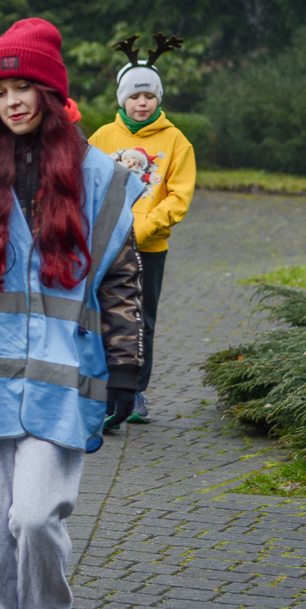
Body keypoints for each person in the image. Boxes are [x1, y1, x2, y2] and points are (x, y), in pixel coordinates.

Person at [0, 18, 144, 609]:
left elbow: (120, 279)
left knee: (36, 521)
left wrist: (127, 367)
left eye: (24, 89)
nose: (12, 102)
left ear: (52, 94)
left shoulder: (99, 178)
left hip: (63, 379)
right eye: (0, 92)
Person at [87, 37, 195, 425]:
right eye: (135, 95)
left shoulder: (176, 142)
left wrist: (142, 228)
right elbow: (87, 186)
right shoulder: (101, 138)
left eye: (150, 95)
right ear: (122, 99)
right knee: (100, 313)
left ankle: (135, 393)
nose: (143, 102)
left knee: (140, 318)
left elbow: (177, 198)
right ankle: (98, 386)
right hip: (105, 244)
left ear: (159, 98)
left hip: (149, 247)